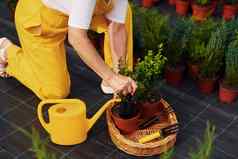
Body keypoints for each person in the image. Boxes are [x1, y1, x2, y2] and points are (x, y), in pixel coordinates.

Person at [0, 0, 137, 100]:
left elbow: (117, 27)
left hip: (71, 14)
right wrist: (111, 77)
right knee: (55, 92)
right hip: (42, 21)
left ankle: (117, 81)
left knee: (124, 14)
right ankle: (7, 52)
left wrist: (120, 72)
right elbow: (77, 38)